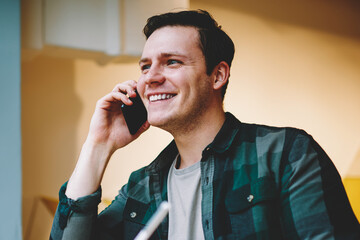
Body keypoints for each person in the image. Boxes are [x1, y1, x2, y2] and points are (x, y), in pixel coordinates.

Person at [50, 9, 359, 240]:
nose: (151, 77)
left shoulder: (285, 153)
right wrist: (98, 145)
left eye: (171, 62)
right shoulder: (140, 187)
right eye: (145, 66)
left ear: (218, 75)